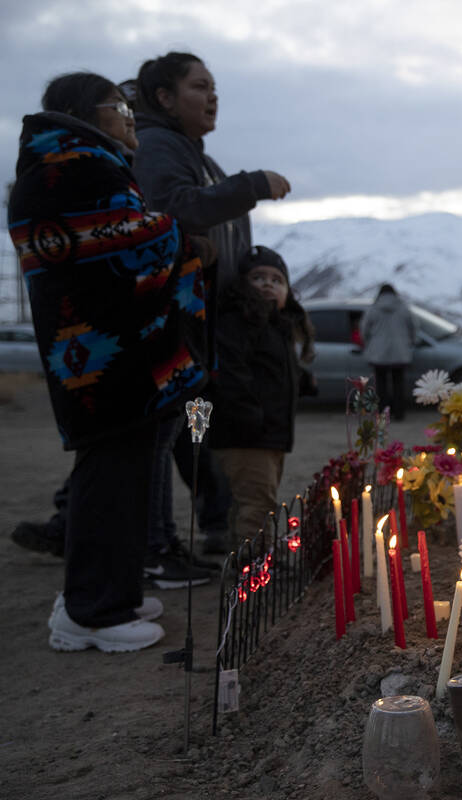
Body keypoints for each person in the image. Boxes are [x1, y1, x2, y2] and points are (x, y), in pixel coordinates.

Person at [9, 71, 211, 651]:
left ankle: (109, 592)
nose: (129, 118)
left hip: (108, 357)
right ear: (86, 111)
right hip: (104, 360)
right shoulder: (68, 168)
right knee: (110, 480)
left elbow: (117, 236)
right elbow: (121, 242)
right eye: (118, 105)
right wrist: (181, 234)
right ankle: (93, 612)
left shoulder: (77, 163)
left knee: (123, 477)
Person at [134, 51, 291, 558]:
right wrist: (250, 186)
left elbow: (229, 248)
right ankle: (155, 546)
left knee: (186, 434)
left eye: (215, 87)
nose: (213, 96)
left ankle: (206, 526)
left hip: (206, 328)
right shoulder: (158, 146)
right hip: (171, 323)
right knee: (165, 436)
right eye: (200, 86)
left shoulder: (197, 155)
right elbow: (171, 207)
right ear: (163, 97)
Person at [208, 246, 314, 549]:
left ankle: (243, 562)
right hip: (247, 434)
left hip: (267, 434)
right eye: (258, 278)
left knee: (249, 501)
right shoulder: (240, 322)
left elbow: (273, 372)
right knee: (258, 504)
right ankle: (255, 573)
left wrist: (305, 382)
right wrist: (250, 418)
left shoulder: (275, 327)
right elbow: (233, 375)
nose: (268, 284)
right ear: (242, 284)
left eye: (276, 280)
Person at [361, 284, 417, 419]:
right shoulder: (404, 308)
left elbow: (364, 330)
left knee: (381, 385)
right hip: (400, 353)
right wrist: (410, 342)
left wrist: (368, 343)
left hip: (378, 354)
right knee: (398, 384)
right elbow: (413, 327)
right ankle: (399, 413)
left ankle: (382, 412)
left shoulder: (373, 309)